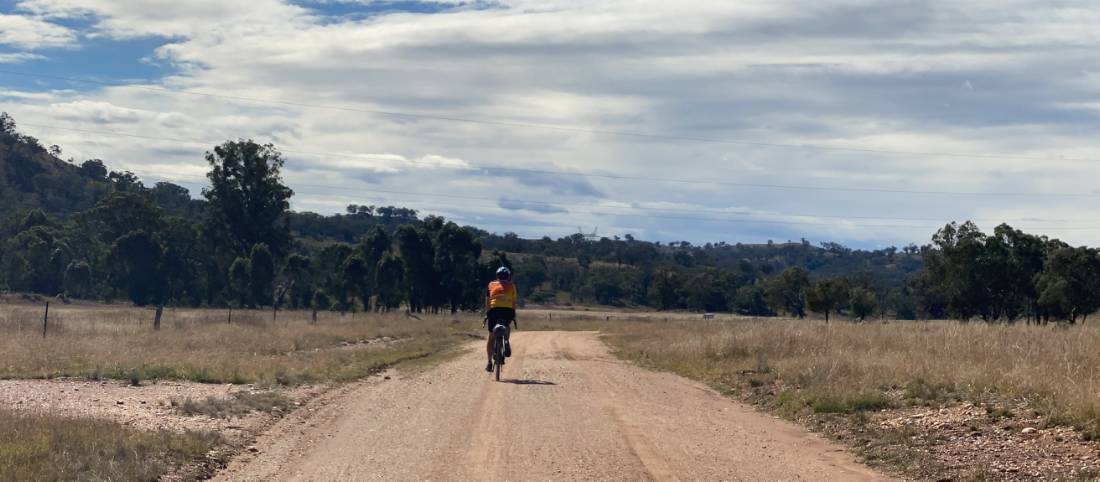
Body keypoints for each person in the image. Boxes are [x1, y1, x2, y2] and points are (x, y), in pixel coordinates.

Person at [485, 266, 518, 372]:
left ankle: (489, 363)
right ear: (508, 277)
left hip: (494, 310)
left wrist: (488, 312)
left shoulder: (491, 284)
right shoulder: (512, 285)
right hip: (507, 310)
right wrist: (513, 313)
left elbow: (487, 300)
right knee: (507, 325)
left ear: (497, 276)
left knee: (491, 337)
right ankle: (507, 341)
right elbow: (513, 302)